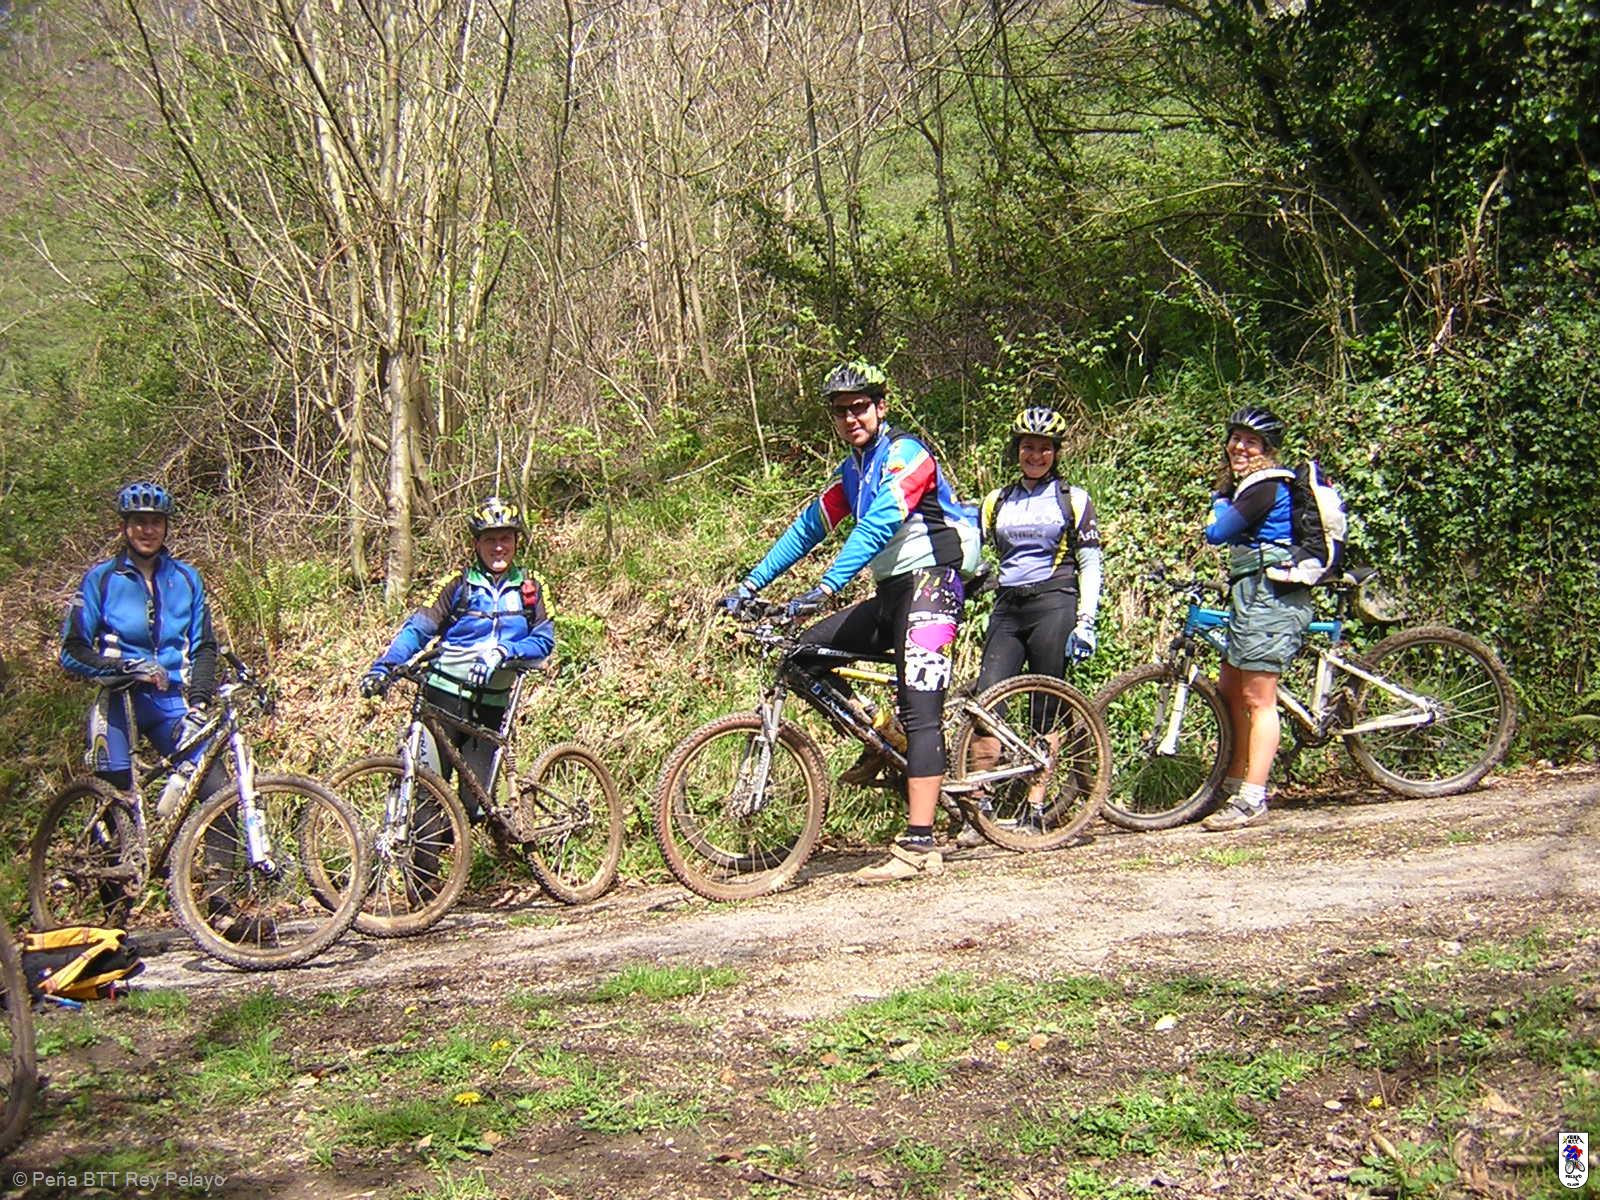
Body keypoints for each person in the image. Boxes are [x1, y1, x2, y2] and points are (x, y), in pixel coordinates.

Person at [721, 361, 979, 884]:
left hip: (932, 585)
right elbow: (807, 529)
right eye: (840, 411)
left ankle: (921, 846)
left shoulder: (907, 455)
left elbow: (881, 522)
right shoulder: (853, 471)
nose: (850, 418)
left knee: (921, 711)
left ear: (881, 407)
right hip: (892, 593)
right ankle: (883, 733)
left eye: (859, 407)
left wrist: (825, 588)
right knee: (804, 656)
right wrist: (749, 585)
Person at [957, 406, 1103, 847]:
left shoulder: (1072, 499)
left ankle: (1035, 808)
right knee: (987, 704)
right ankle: (979, 809)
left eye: (1044, 448)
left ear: (1056, 453)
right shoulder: (997, 501)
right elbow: (969, 553)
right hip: (1008, 605)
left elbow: (1090, 563)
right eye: (1027, 447)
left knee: (1045, 706)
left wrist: (1086, 620)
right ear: (1016, 451)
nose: (1035, 455)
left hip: (1054, 602)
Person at [359, 496, 554, 820]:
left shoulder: (531, 587)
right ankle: (432, 853)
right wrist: (384, 667)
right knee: (427, 800)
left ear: (516, 542)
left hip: (490, 708)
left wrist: (505, 651)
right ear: (477, 544)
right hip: (442, 700)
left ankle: (477, 844)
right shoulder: (457, 584)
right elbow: (417, 629)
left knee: (476, 806)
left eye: (505, 538)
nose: (498, 547)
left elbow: (544, 641)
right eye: (490, 540)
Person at [60, 482, 222, 804]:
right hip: (119, 702)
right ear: (124, 527)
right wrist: (126, 667)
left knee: (218, 796)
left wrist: (199, 702)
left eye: (156, 522)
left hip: (170, 702)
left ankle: (189, 840)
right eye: (139, 522)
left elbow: (204, 647)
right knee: (117, 806)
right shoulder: (101, 579)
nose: (148, 530)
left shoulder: (187, 579)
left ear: (166, 527)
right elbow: (72, 651)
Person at [1199, 405, 1312, 831]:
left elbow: (1217, 533)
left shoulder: (1264, 486)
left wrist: (1218, 503)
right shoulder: (1248, 486)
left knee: (1258, 698)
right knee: (1231, 689)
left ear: (1267, 450)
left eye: (1251, 442)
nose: (1240, 447)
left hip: (1270, 596)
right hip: (1249, 593)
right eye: (1236, 439)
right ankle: (1233, 781)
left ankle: (1252, 797)